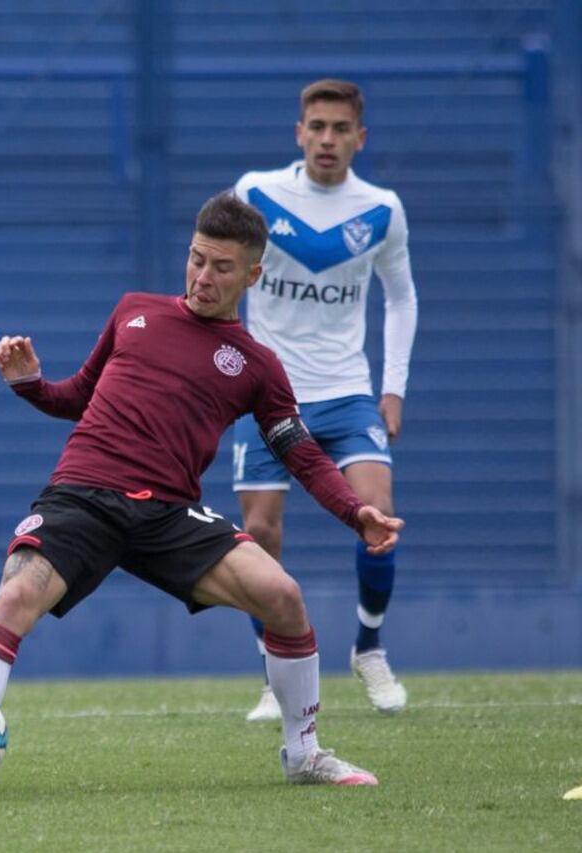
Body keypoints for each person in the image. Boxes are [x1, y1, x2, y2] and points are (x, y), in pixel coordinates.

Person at [0, 192, 403, 800]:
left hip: (169, 512)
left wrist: (356, 512)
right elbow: (75, 399)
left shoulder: (258, 365)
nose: (203, 277)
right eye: (197, 259)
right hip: (83, 495)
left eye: (222, 268)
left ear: (253, 275)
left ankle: (303, 754)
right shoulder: (134, 312)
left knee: (282, 595)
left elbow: (300, 452)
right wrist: (29, 382)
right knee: (14, 595)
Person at [232, 79, 418, 722]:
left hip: (346, 393)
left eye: (341, 129)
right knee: (258, 534)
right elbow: (217, 273)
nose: (328, 139)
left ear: (359, 139)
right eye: (317, 126)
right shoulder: (255, 195)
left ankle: (368, 647)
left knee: (379, 517)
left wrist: (391, 387)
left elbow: (401, 297)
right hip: (267, 397)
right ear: (299, 133)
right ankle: (269, 675)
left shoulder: (381, 210)